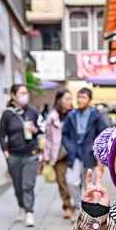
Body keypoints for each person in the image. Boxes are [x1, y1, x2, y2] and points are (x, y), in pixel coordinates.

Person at [0, 84, 44, 227]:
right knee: (18, 186)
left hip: (30, 154)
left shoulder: (32, 111)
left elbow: (43, 128)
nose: (25, 96)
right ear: (13, 95)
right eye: (22, 93)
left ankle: (29, 213)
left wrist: (35, 130)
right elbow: (1, 134)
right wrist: (6, 153)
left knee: (28, 185)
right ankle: (22, 206)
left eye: (26, 93)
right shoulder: (7, 114)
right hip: (13, 155)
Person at [61, 88, 108, 213]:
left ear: (89, 100)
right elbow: (64, 134)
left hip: (89, 153)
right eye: (79, 97)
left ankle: (89, 210)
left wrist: (97, 150)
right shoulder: (71, 114)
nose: (80, 100)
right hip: (75, 153)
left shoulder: (95, 114)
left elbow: (102, 133)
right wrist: (70, 147)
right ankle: (78, 207)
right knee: (71, 181)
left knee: (90, 184)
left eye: (84, 97)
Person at [43, 88, 75, 219]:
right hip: (59, 154)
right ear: (59, 100)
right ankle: (67, 206)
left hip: (74, 153)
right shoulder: (52, 117)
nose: (69, 101)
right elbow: (49, 139)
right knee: (61, 181)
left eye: (70, 98)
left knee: (74, 181)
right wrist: (46, 157)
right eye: (66, 99)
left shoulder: (75, 115)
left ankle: (78, 204)